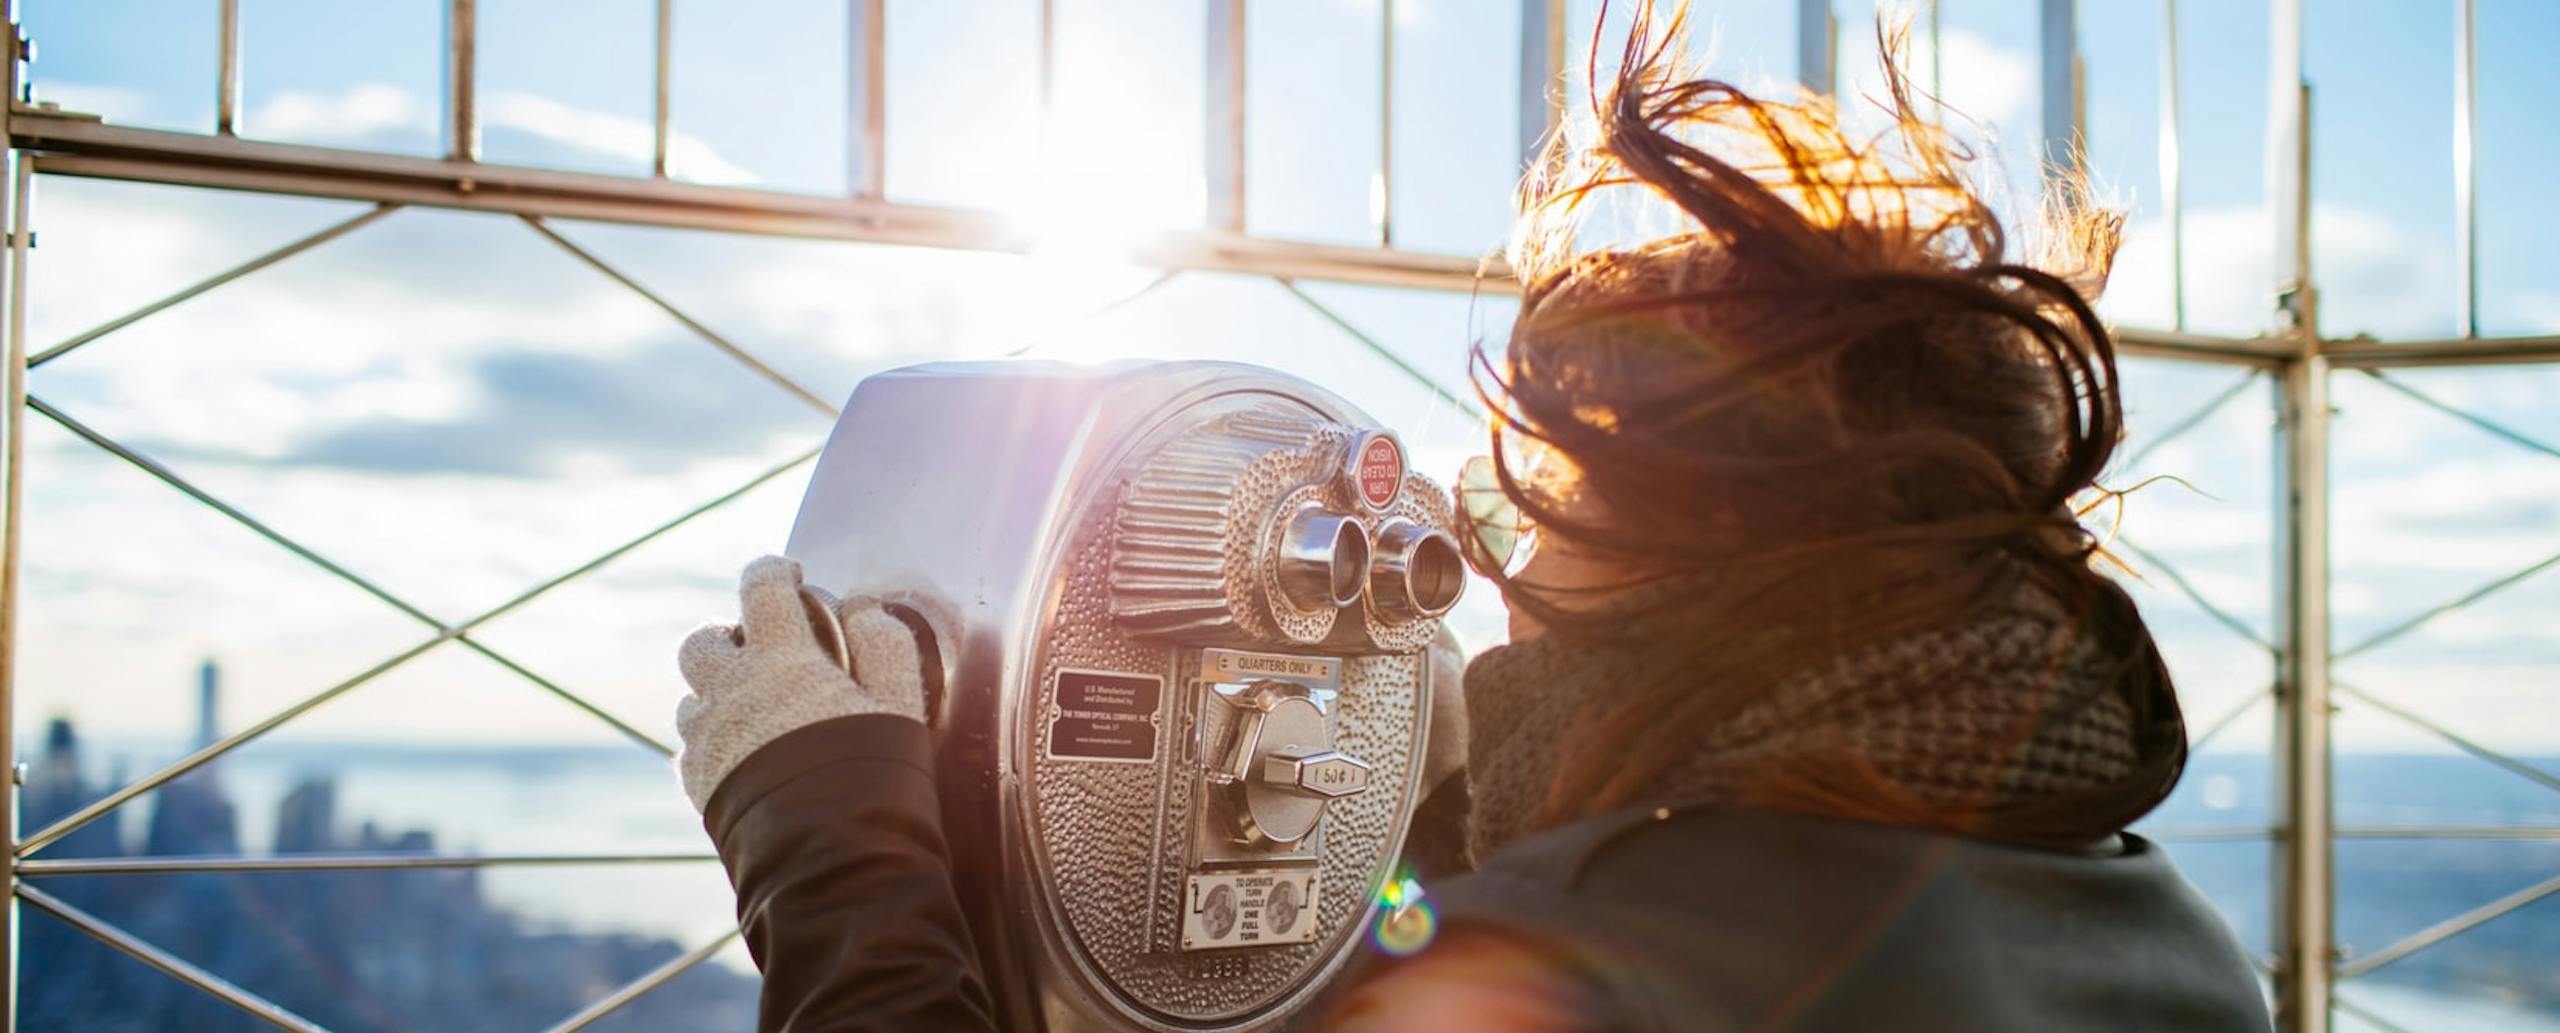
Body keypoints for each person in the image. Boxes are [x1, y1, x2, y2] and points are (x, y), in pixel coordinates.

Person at [672, 3, 2271, 1030]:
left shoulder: (1597, 972)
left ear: (1681, 567)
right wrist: (1433, 836)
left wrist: (827, 832)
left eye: (1553, 520)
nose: (1499, 587)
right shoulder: (2178, 947)